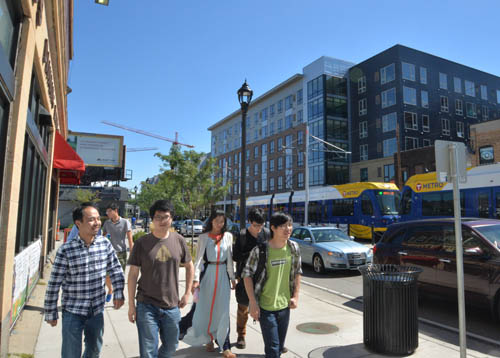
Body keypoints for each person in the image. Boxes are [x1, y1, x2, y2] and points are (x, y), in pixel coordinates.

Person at [44, 203, 125, 358]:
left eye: (98, 219)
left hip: (96, 311)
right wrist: (50, 311)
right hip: (73, 312)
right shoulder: (66, 250)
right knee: (70, 353)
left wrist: (119, 292)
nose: (97, 223)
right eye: (91, 220)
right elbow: (54, 283)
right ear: (78, 223)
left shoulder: (105, 244)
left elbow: (115, 269)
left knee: (94, 350)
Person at [128, 200, 194, 358]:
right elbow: (132, 275)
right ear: (152, 219)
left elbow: (189, 266)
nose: (162, 221)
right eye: (158, 217)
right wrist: (131, 305)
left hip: (172, 305)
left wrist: (187, 294)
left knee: (171, 347)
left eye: (166, 217)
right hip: (146, 304)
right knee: (148, 351)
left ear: (171, 218)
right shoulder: (141, 243)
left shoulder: (179, 240)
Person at [242, 212, 302, 358]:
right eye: (283, 226)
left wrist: (295, 296)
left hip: (284, 307)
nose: (288, 229)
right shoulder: (260, 250)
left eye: (290, 225)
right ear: (273, 228)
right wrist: (253, 302)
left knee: (280, 347)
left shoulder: (293, 247)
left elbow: (297, 272)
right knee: (273, 349)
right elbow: (246, 275)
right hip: (266, 307)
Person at [183, 210, 237, 358]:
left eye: (222, 221)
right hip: (208, 275)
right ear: (211, 221)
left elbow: (230, 259)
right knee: (205, 309)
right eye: (217, 220)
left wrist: (232, 277)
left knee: (223, 310)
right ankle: (208, 339)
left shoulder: (228, 236)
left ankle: (225, 346)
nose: (220, 224)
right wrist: (196, 279)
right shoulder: (203, 237)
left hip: (223, 276)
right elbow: (199, 259)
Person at [232, 208, 270, 349]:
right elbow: (235, 256)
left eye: (261, 225)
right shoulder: (242, 235)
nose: (258, 229)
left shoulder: (266, 234)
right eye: (255, 226)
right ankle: (241, 335)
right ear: (249, 222)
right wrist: (251, 254)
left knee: (267, 309)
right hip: (245, 277)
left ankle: (272, 339)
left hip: (263, 278)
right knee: (243, 307)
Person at [103, 203, 134, 301]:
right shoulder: (107, 223)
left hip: (121, 253)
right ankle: (110, 290)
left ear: (115, 210)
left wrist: (132, 255)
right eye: (107, 211)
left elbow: (130, 240)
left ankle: (118, 295)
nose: (107, 213)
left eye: (109, 211)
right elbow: (102, 237)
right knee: (106, 275)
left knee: (119, 276)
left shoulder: (125, 222)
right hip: (109, 253)